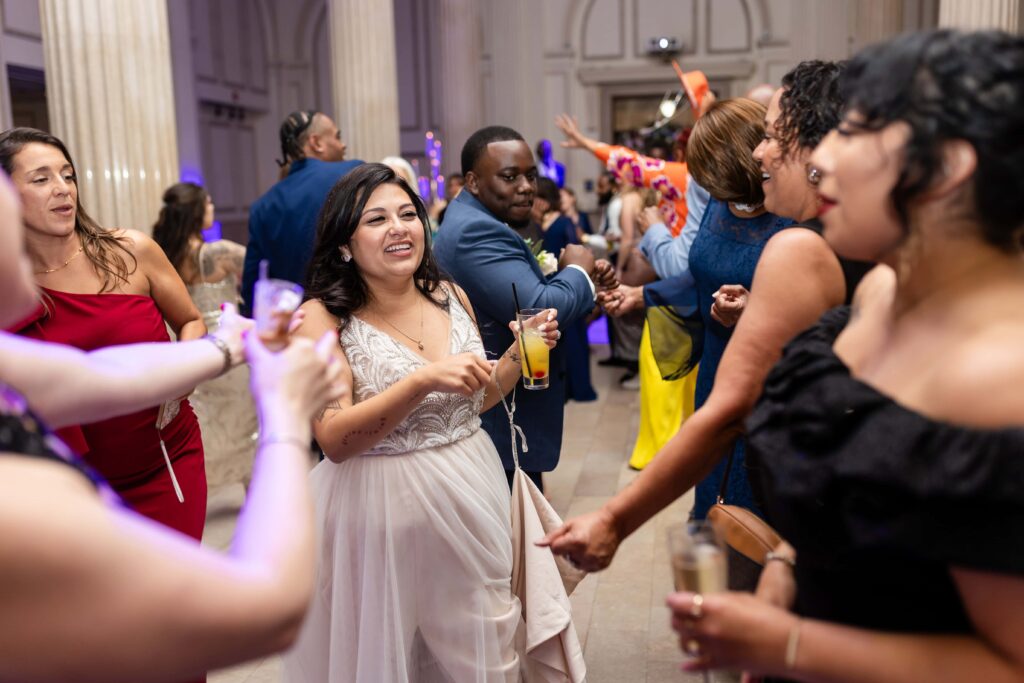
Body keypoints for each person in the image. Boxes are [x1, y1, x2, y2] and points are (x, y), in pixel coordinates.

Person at [669, 29, 1024, 683]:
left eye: (854, 132)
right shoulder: (883, 291)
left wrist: (792, 644)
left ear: (945, 167)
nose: (820, 158)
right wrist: (785, 562)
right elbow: (865, 487)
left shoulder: (1002, 384)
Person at [0, 167, 343, 682]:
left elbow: (96, 374)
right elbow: (264, 607)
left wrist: (229, 344)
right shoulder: (19, 498)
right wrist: (287, 418)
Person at [540, 60, 868, 571]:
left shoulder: (797, 245)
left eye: (772, 134)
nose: (759, 150)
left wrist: (614, 519)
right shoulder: (867, 236)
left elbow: (731, 412)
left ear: (816, 152)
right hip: (804, 441)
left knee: (751, 567)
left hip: (791, 446)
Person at [283, 163, 560, 681]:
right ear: (344, 243)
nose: (399, 228)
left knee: (485, 645)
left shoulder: (450, 296)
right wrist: (420, 380)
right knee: (387, 653)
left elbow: (469, 405)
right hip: (378, 506)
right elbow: (334, 438)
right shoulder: (322, 319)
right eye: (377, 219)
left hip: (471, 487)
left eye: (408, 214)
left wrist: (515, 361)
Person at [2, 127, 210, 542]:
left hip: (166, 460)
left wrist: (180, 377)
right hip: (72, 489)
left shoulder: (131, 251)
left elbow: (191, 321)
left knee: (173, 597)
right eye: (42, 179)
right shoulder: (11, 291)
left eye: (68, 175)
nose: (63, 189)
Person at [434, 125, 614, 491]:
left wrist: (584, 282)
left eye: (530, 176)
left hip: (506, 406)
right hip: (500, 416)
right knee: (514, 537)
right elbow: (539, 309)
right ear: (472, 181)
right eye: (509, 176)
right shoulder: (475, 232)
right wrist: (578, 269)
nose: (526, 186)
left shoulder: (481, 220)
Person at [152, 182, 257, 491]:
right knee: (245, 424)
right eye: (208, 203)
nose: (212, 207)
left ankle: (203, 485)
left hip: (193, 347)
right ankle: (255, 495)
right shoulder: (217, 252)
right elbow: (259, 266)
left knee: (210, 425)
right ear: (197, 211)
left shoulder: (165, 255)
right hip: (227, 344)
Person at [241, 110, 362, 313]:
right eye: (337, 136)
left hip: (294, 325)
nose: (343, 145)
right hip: (351, 315)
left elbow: (254, 289)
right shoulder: (354, 174)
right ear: (316, 143)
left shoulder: (262, 207)